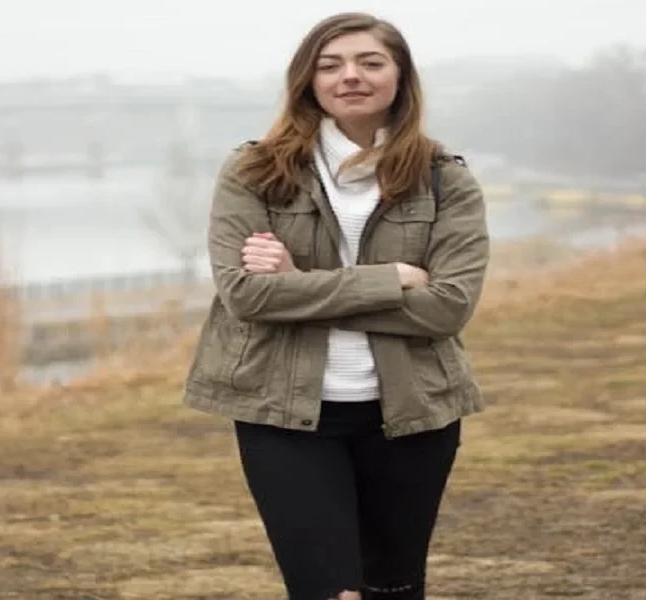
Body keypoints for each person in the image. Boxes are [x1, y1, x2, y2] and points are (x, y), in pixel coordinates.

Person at [182, 11, 490, 600]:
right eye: (331, 65)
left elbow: (448, 308)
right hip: (284, 413)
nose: (350, 76)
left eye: (370, 62)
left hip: (411, 412)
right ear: (308, 80)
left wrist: (300, 285)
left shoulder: (445, 180)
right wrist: (390, 280)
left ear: (400, 77)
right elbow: (247, 295)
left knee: (392, 590)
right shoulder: (254, 171)